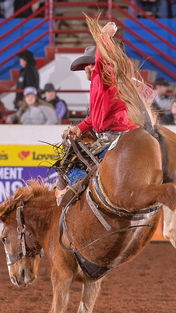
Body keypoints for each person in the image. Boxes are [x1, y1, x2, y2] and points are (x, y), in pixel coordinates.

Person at [55, 20, 153, 204]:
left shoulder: (104, 76)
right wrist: (81, 127)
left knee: (72, 163)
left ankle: (77, 186)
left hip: (115, 135)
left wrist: (104, 36)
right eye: (86, 65)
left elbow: (103, 61)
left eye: (90, 64)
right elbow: (98, 116)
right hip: (118, 131)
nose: (87, 68)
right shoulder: (99, 84)